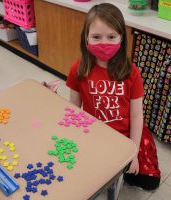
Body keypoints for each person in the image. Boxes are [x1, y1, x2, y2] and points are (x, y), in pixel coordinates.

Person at [66, 3, 161, 192]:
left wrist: (132, 153)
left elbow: (136, 117)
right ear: (86, 39)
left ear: (121, 38)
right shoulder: (78, 69)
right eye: (96, 37)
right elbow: (74, 109)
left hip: (125, 137)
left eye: (111, 37)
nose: (104, 43)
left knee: (150, 182)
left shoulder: (132, 73)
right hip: (95, 134)